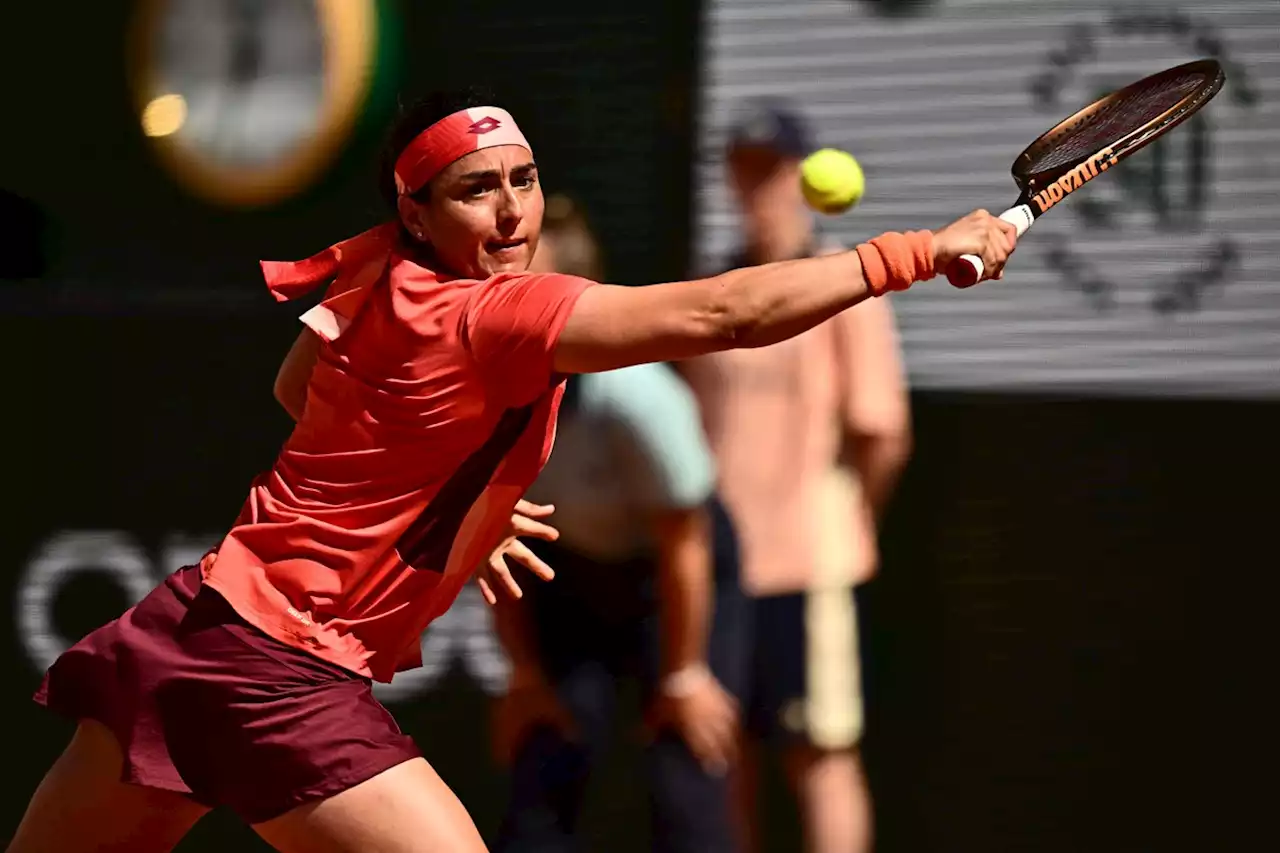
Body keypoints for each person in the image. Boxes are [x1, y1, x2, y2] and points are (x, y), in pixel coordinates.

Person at [10, 86, 1017, 853]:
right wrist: (917, 253)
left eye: (521, 181)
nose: (507, 215)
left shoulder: (377, 275)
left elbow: (296, 390)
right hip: (286, 671)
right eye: (473, 190)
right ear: (417, 211)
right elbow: (722, 315)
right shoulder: (502, 312)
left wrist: (449, 501)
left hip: (191, 633)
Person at [680, 99, 912, 853]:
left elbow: (882, 431)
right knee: (727, 758)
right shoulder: (709, 291)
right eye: (741, 169)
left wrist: (847, 521)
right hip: (720, 572)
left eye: (769, 169)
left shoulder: (843, 286)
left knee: (821, 756)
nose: (755, 186)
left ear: (802, 176)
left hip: (810, 567)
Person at [490, 195, 745, 853]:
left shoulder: (641, 397)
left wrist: (685, 675)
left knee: (686, 768)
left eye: (529, 296)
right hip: (568, 576)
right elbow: (497, 543)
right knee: (542, 763)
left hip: (675, 578)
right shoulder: (477, 395)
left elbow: (684, 541)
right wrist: (524, 672)